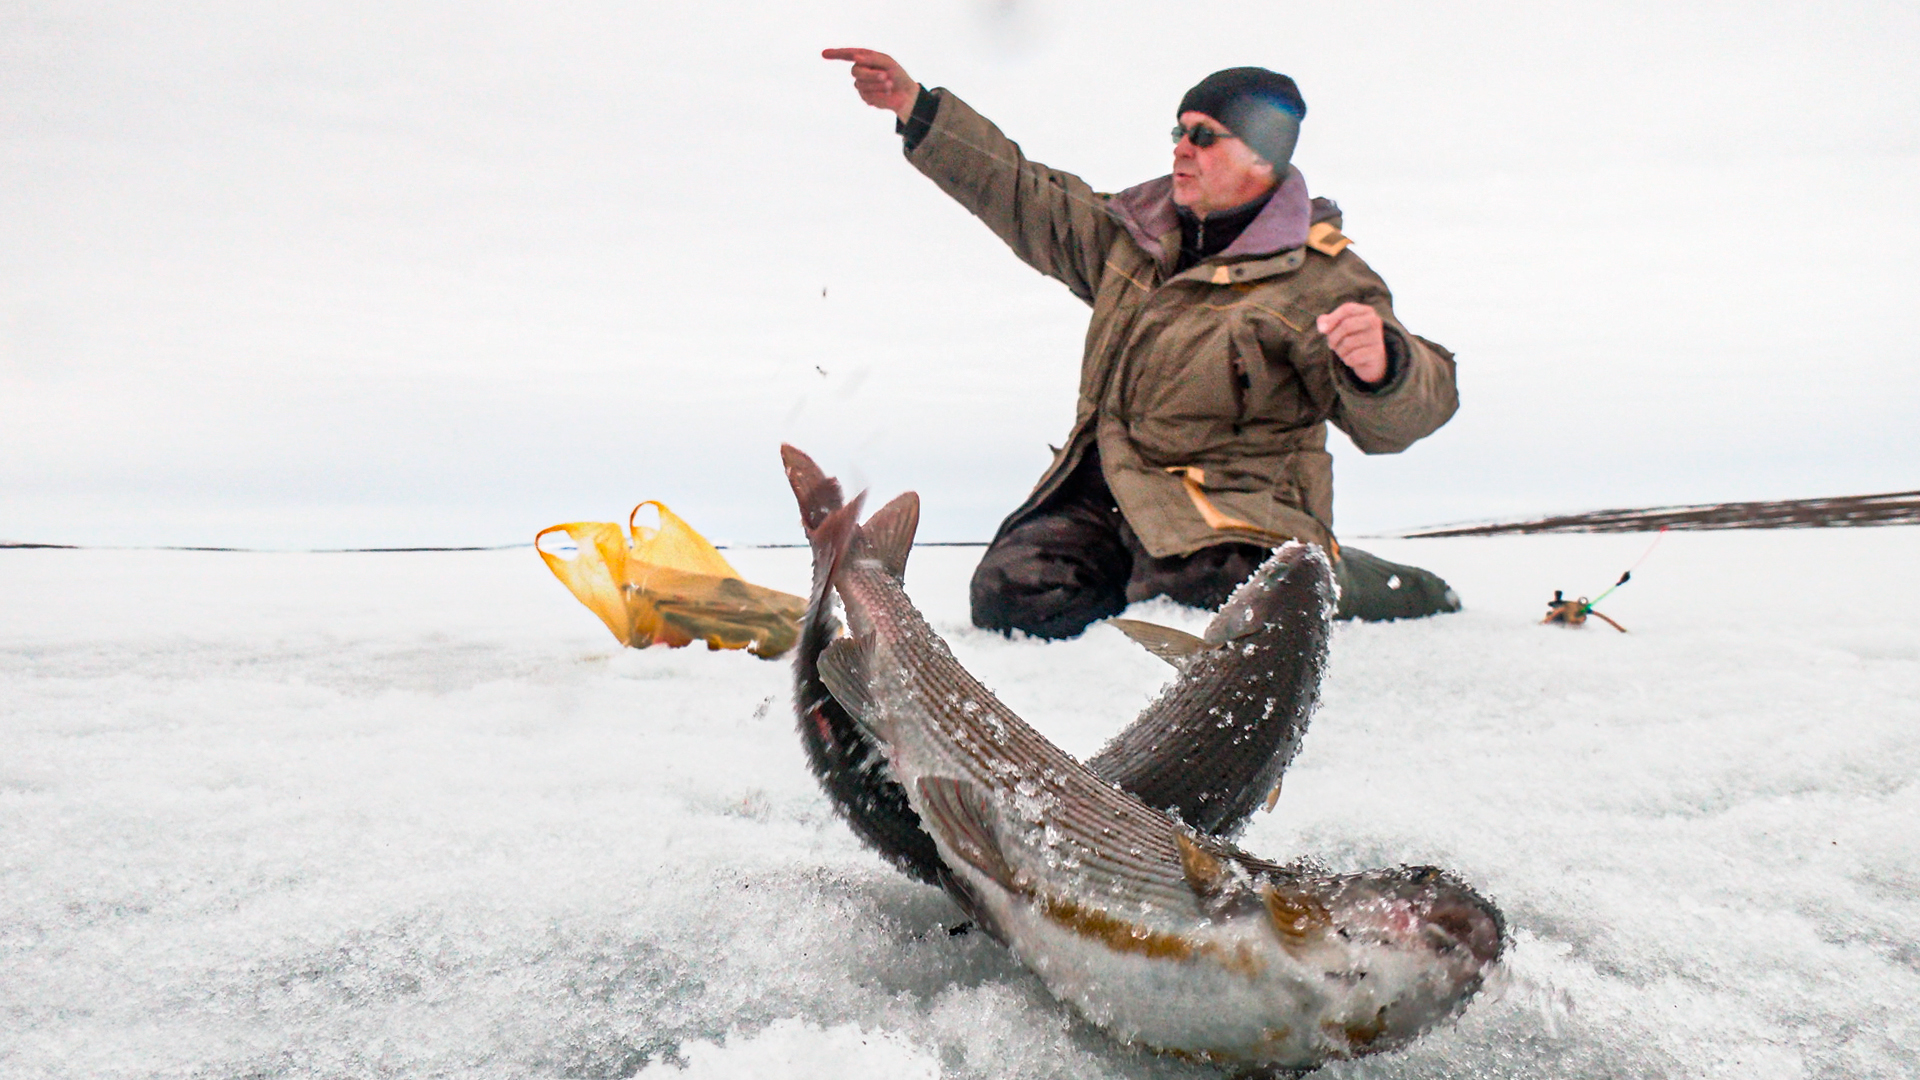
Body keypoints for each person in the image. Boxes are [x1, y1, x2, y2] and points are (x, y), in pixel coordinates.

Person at [824, 48, 1463, 637]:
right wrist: (918, 108)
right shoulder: (1133, 236)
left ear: (1263, 159)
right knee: (1012, 599)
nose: (1182, 149)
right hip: (1108, 492)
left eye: (1205, 136)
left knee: (1210, 601)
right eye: (1179, 132)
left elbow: (1404, 419)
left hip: (1238, 511)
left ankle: (1370, 585)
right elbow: (1025, 194)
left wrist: (1384, 368)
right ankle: (1131, 581)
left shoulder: (1321, 278)